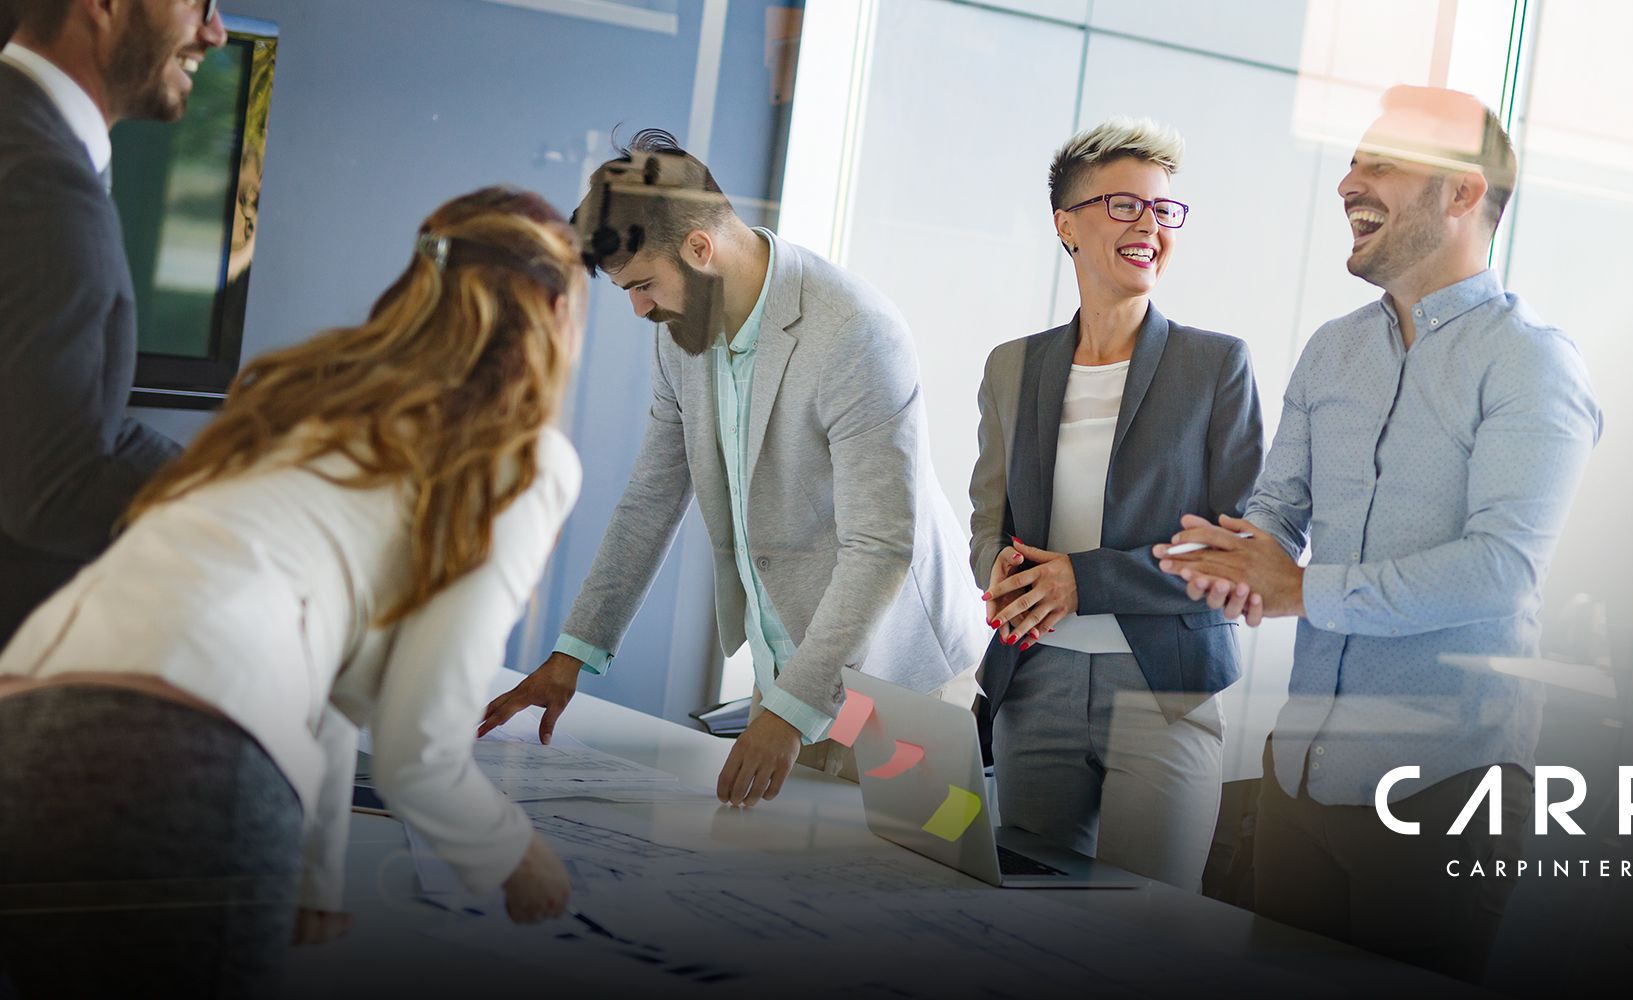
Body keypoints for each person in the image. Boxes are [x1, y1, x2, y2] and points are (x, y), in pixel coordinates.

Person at [0, 187, 587, 995]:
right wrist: (517, 855)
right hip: (186, 758)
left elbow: (318, 665)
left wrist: (313, 877)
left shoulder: (306, 397)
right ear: (556, 310)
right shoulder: (520, 456)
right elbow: (418, 755)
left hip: (24, 716)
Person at [1155, 86, 1603, 981]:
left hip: (1446, 791)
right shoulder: (1333, 350)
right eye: (1354, 161)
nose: (1346, 183)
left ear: (1463, 193)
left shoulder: (1531, 363)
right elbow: (1279, 506)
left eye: (1381, 165)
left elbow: (1501, 570)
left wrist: (1301, 590)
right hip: (1301, 777)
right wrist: (1231, 557)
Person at [478, 130, 983, 806]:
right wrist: (573, 654)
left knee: (911, 862)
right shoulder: (680, 335)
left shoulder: (855, 331)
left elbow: (882, 545)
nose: (638, 308)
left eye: (643, 285)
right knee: (780, 856)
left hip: (900, 678)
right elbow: (649, 501)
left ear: (698, 248)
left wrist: (789, 713)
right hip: (787, 672)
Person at [968, 118, 1263, 890]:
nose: (1148, 226)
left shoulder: (1215, 366)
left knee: (1146, 924)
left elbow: (1241, 551)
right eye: (1124, 205)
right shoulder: (1011, 367)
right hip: (1035, 682)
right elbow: (987, 519)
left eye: (1163, 210)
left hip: (1163, 689)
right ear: (1065, 225)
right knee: (1026, 915)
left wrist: (1083, 581)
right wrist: (996, 568)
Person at [0, 0, 229, 643]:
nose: (215, 31)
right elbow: (52, 486)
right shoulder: (43, 180)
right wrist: (239, 506)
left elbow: (47, 417)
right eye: (199, 2)